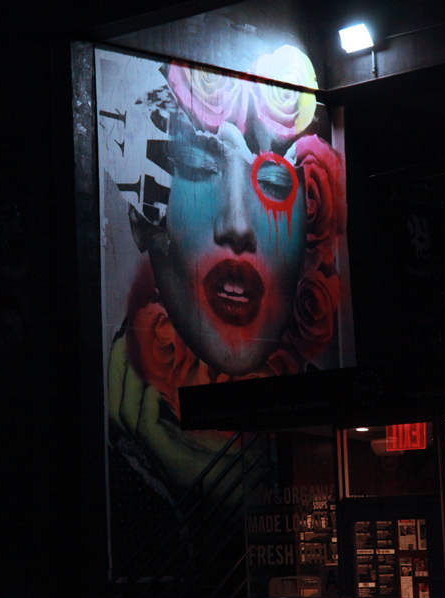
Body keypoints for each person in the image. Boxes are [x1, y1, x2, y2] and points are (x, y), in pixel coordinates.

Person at [98, 45, 348, 563]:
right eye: (197, 164)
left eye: (274, 181)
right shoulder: (114, 468)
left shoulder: (327, 444)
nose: (237, 225)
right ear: (143, 220)